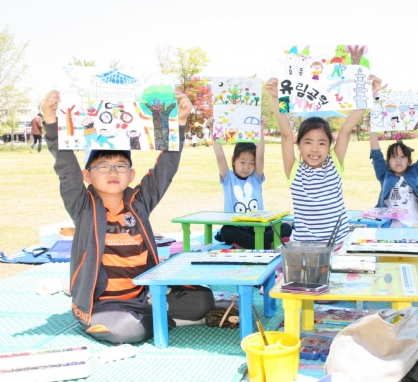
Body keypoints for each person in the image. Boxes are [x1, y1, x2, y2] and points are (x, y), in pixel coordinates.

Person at [40, 90, 215, 345]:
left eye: (120, 166)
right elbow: (65, 166)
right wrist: (51, 121)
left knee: (203, 300)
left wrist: (179, 122)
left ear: (131, 174)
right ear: (87, 175)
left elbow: (165, 169)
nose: (112, 171)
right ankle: (158, 320)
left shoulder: (139, 202)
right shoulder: (83, 205)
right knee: (125, 330)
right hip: (102, 305)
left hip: (142, 296)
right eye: (103, 166)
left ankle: (154, 314)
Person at [267, 76, 385, 246]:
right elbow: (286, 134)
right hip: (304, 248)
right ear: (298, 145)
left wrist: (367, 96)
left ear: (330, 146)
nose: (315, 149)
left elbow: (346, 129)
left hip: (338, 244)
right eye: (308, 142)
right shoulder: (294, 171)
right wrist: (277, 98)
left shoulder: (333, 165)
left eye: (322, 143)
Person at [205, 116, 292, 249]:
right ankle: (263, 244)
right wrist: (212, 131)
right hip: (236, 228)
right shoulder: (228, 178)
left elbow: (260, 156)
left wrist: (261, 131)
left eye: (251, 163)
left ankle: (249, 244)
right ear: (234, 160)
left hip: (258, 227)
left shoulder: (255, 177)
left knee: (285, 227)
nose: (247, 167)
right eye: (242, 162)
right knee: (226, 231)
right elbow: (220, 156)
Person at [369, 121, 418, 228]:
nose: (398, 160)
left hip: (416, 223)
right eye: (394, 157)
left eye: (403, 157)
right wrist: (372, 128)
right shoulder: (384, 174)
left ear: (409, 161)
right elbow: (376, 154)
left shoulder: (415, 173)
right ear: (387, 162)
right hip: (392, 224)